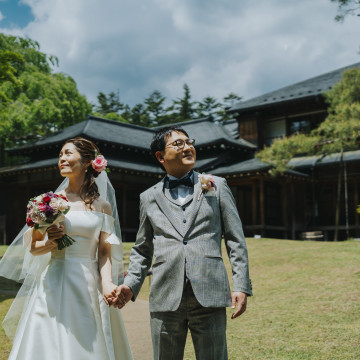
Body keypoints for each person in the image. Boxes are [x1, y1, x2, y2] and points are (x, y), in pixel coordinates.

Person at [112, 125, 252, 360]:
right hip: (165, 295)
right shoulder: (148, 197)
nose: (187, 147)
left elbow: (236, 240)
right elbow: (143, 249)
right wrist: (131, 283)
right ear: (160, 156)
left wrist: (240, 284)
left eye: (189, 142)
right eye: (178, 144)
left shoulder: (217, 186)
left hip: (210, 292)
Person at [0, 137, 133, 360]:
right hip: (54, 279)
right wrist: (50, 243)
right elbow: (34, 248)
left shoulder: (102, 206)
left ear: (88, 162)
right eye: (61, 154)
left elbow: (103, 251)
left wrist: (108, 282)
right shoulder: (47, 203)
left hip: (89, 283)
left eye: (68, 153)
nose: (62, 158)